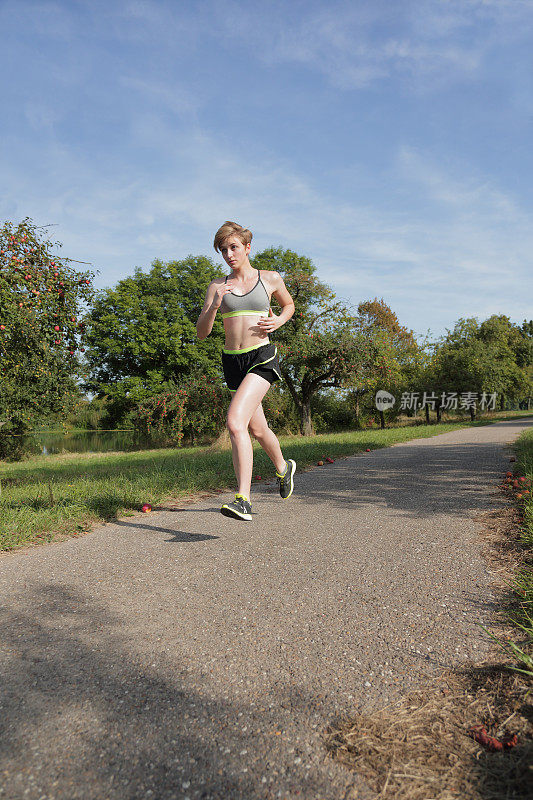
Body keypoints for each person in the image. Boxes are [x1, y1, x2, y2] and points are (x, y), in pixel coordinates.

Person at [196, 221, 296, 520]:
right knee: (256, 428)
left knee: (235, 422)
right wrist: (214, 305)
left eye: (233, 247)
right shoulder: (217, 286)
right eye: (223, 250)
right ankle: (283, 467)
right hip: (232, 361)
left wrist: (278, 320)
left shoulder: (269, 278)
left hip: (261, 357)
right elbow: (202, 333)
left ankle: (243, 499)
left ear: (247, 247)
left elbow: (288, 305)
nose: (228, 254)